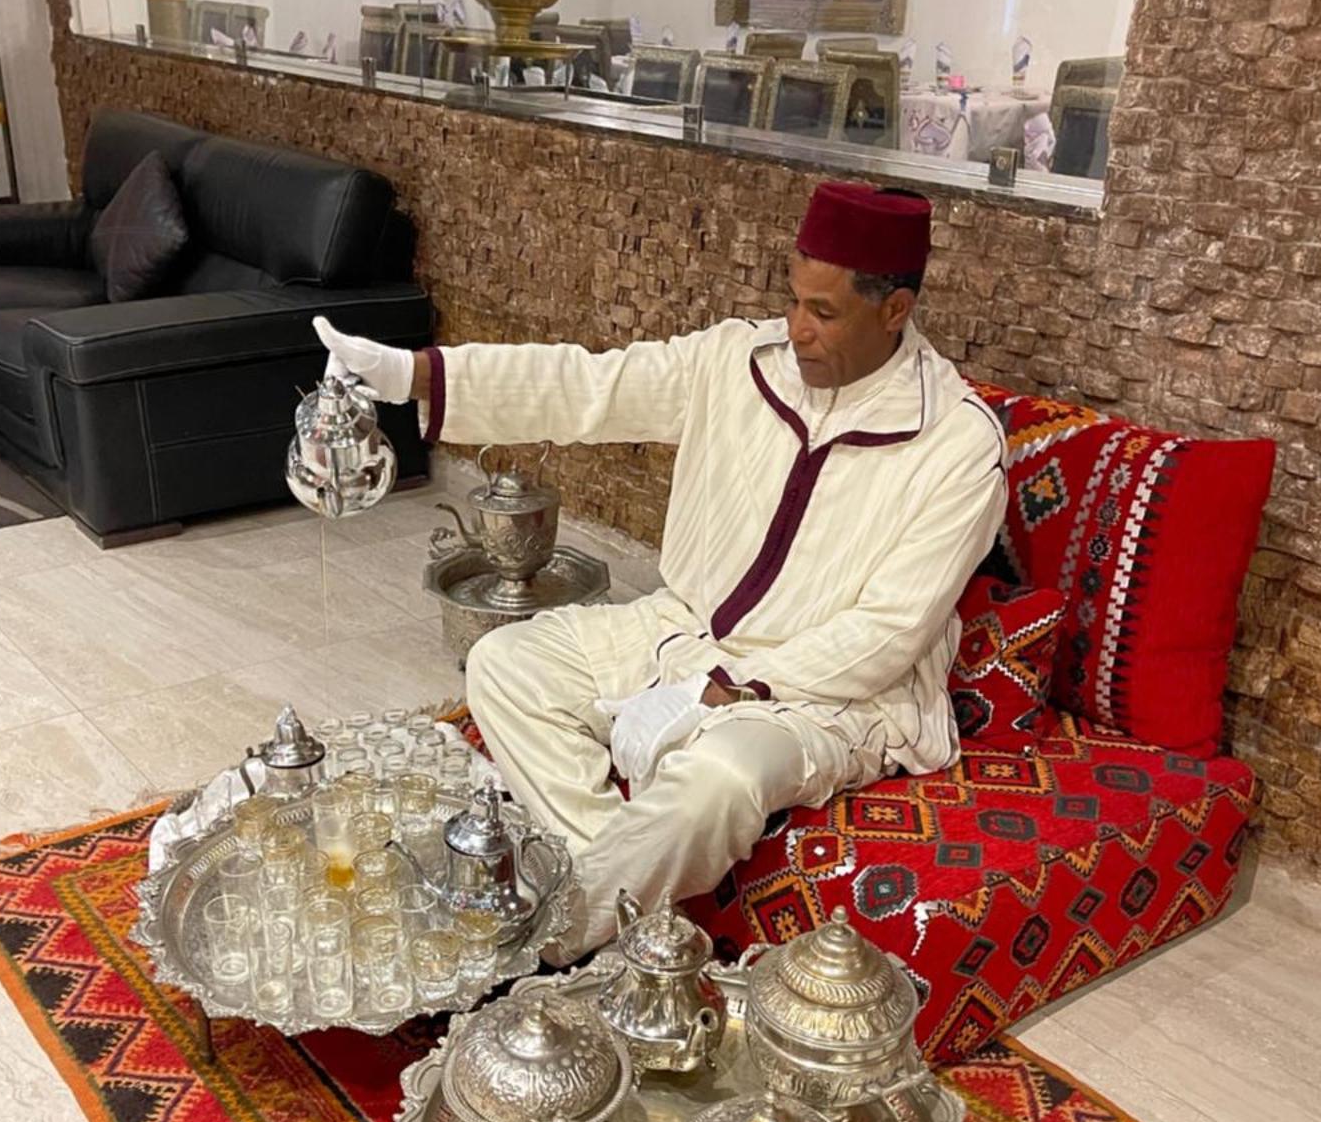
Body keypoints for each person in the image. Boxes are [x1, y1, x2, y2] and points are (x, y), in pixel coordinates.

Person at [314, 182, 1006, 957]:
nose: (797, 329)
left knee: (721, 779)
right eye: (793, 300)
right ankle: (620, 919)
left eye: (824, 311)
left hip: (826, 696)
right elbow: (591, 387)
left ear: (896, 309)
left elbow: (888, 633)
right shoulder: (738, 361)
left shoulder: (958, 444)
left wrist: (721, 691)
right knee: (504, 663)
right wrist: (413, 375)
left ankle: (547, 943)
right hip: (682, 628)